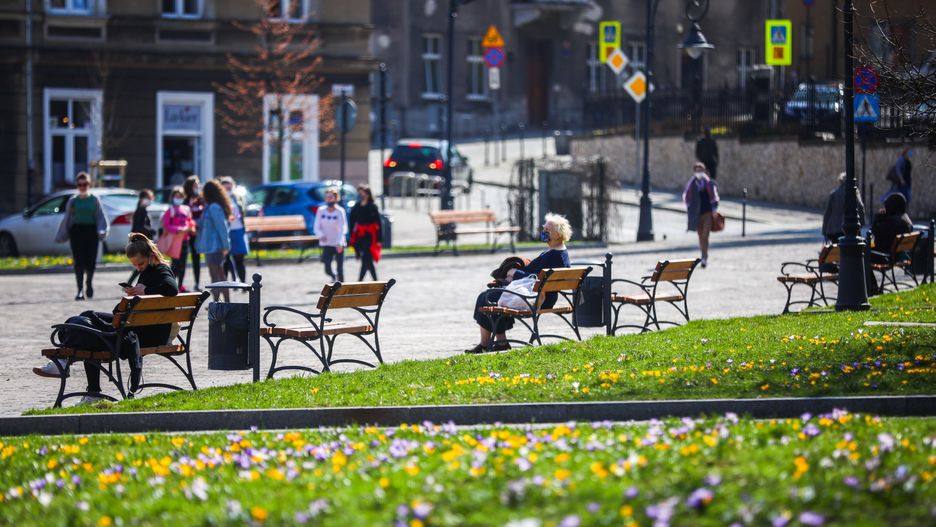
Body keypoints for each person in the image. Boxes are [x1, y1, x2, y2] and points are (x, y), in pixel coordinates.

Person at [33, 233, 179, 403]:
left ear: (151, 256)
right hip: (138, 328)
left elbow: (172, 289)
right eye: (135, 265)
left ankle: (69, 369)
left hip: (142, 335)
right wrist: (135, 294)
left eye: (140, 263)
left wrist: (144, 291)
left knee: (86, 330)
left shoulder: (161, 269)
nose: (138, 267)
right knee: (86, 316)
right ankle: (67, 366)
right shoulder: (149, 271)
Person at [466, 213, 572, 355]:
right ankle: (499, 342)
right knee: (493, 294)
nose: (544, 233)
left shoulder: (554, 256)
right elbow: (537, 276)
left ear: (558, 234)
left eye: (548, 231)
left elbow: (535, 278)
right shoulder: (558, 252)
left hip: (537, 298)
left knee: (487, 297)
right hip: (540, 294)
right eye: (544, 229)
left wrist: (514, 273)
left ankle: (490, 344)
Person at [54, 172, 109, 301]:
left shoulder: (94, 199)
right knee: (78, 262)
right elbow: (67, 218)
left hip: (91, 232)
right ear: (77, 185)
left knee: (90, 262)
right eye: (80, 184)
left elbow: (100, 217)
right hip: (77, 232)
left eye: (85, 184)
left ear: (89, 185)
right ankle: (79, 290)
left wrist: (102, 230)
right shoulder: (73, 201)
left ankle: (89, 282)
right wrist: (63, 233)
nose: (82, 186)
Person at [195, 179, 232, 302]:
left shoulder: (214, 207)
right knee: (217, 276)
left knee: (217, 276)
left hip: (215, 247)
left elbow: (222, 227)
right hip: (211, 246)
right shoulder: (209, 207)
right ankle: (221, 303)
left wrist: (226, 246)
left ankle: (221, 304)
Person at [683, 162, 719, 268]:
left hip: (707, 213)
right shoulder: (692, 184)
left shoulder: (709, 183)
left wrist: (714, 209)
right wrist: (689, 208)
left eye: (701, 170)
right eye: (697, 170)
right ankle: (703, 255)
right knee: (700, 236)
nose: (699, 173)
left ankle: (704, 257)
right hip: (697, 214)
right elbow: (686, 197)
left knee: (705, 235)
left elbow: (714, 197)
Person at [160, 187, 196, 289]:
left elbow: (190, 221)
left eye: (180, 196)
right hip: (175, 240)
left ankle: (180, 285)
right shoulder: (170, 210)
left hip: (185, 239)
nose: (179, 198)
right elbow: (166, 225)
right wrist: (178, 229)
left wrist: (191, 228)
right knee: (175, 264)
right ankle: (172, 285)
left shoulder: (186, 209)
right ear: (173, 197)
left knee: (183, 264)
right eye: (177, 196)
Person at [313, 188, 347, 283]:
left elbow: (343, 228)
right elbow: (316, 227)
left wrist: (339, 243)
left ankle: (342, 288)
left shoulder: (340, 211)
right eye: (327, 197)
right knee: (327, 268)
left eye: (331, 197)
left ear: (336, 198)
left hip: (338, 244)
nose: (329, 199)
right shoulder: (321, 210)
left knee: (340, 267)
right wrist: (321, 235)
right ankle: (333, 276)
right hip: (326, 243)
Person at [220, 176, 250, 283]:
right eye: (225, 186)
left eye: (229, 185)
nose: (228, 188)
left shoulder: (237, 197)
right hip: (226, 232)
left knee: (239, 259)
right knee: (226, 260)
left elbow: (242, 212)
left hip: (238, 230)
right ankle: (225, 284)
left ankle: (242, 283)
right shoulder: (220, 199)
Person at [349, 184, 381, 281]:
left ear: (367, 194)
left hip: (370, 236)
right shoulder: (356, 207)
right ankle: (375, 282)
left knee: (366, 258)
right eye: (359, 193)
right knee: (367, 260)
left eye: (361, 193)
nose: (360, 195)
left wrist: (380, 239)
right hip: (360, 236)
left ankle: (360, 282)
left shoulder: (372, 207)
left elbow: (379, 223)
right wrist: (351, 236)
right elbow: (351, 222)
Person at [822, 172, 865, 243]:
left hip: (834, 230)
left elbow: (827, 214)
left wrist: (824, 231)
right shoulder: (854, 192)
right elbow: (860, 207)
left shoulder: (834, 194)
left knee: (837, 251)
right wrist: (861, 224)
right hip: (850, 229)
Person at [871, 192, 913, 259]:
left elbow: (874, 231)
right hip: (897, 255)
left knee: (863, 251)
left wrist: (878, 216)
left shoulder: (891, 223)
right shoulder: (905, 221)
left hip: (884, 256)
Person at [183, 175, 205, 290]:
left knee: (196, 258)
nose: (198, 186)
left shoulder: (201, 199)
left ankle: (197, 283)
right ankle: (179, 283)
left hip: (198, 232)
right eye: (195, 185)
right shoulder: (185, 200)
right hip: (187, 232)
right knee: (182, 258)